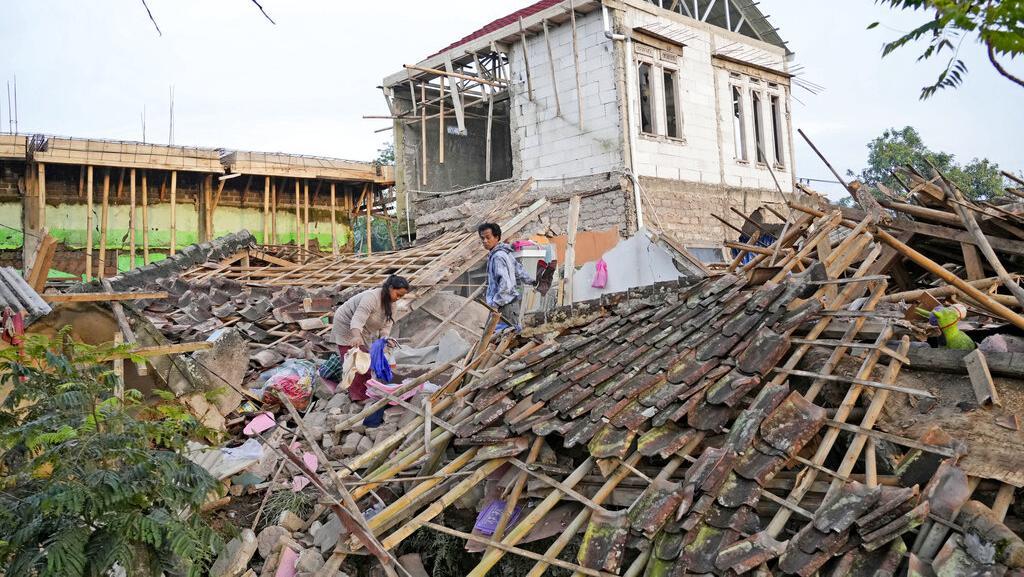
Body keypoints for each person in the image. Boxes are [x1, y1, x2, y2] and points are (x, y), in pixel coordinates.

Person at [331, 275, 410, 401]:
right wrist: (356, 336)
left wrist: (385, 339)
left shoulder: (392, 305)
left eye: (401, 296)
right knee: (355, 361)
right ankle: (357, 397)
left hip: (364, 328)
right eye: (398, 294)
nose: (398, 298)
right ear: (390, 288)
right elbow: (357, 320)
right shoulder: (371, 298)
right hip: (346, 324)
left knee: (366, 360)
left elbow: (386, 326)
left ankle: (366, 390)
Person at [478, 222, 535, 331]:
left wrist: (495, 304)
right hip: (509, 304)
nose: (485, 241)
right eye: (482, 238)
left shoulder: (498, 257)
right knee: (504, 336)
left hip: (504, 306)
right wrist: (533, 281)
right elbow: (520, 270)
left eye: (488, 237)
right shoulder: (505, 252)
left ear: (497, 237)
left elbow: (505, 285)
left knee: (503, 338)